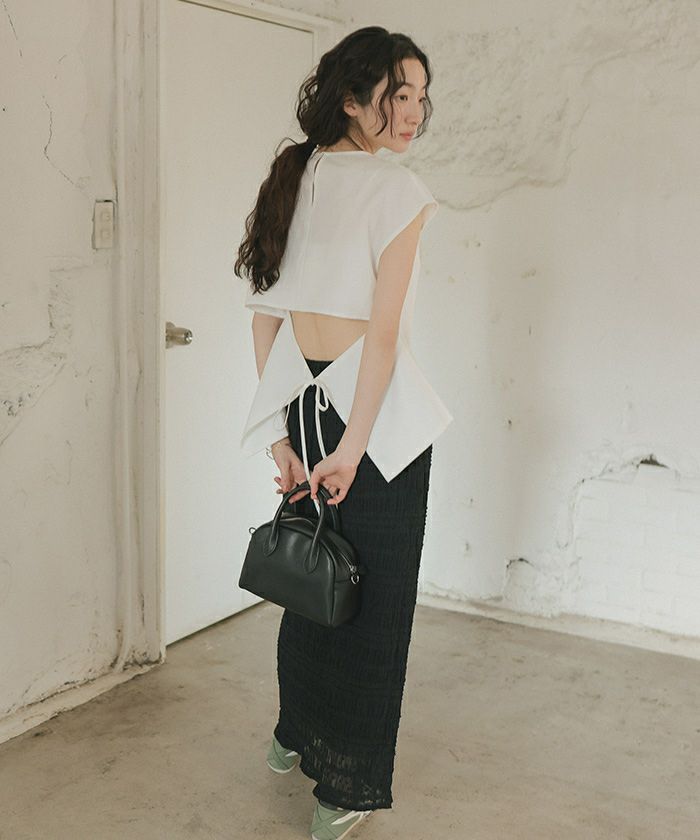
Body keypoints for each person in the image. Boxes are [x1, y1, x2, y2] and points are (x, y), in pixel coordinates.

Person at [235, 26, 453, 840]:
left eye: (422, 96)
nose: (414, 111)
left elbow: (265, 314)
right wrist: (353, 448)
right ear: (355, 99)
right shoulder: (397, 191)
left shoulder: (295, 175)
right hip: (376, 421)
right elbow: (383, 337)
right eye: (400, 94)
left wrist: (283, 436)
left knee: (312, 578)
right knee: (375, 604)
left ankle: (293, 735)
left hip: (306, 402)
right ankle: (345, 787)